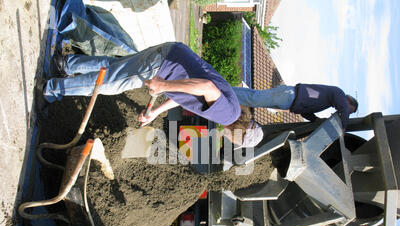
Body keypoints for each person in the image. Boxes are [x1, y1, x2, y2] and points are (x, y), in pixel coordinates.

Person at [43, 41, 263, 148]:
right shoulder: (226, 116)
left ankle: (66, 63)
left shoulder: (233, 107)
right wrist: (164, 84)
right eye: (238, 142)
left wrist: (155, 112)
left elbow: (187, 96)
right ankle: (52, 88)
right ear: (241, 133)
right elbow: (206, 87)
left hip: (172, 54)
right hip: (164, 65)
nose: (233, 143)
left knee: (115, 68)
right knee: (110, 83)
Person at [232, 84, 358, 129]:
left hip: (289, 100)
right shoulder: (339, 93)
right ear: (348, 100)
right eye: (348, 109)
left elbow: (305, 112)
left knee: (254, 97)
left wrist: (316, 121)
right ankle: (223, 92)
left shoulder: (326, 101)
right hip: (290, 96)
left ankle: (226, 92)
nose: (341, 110)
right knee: (254, 98)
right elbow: (344, 109)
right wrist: (343, 127)